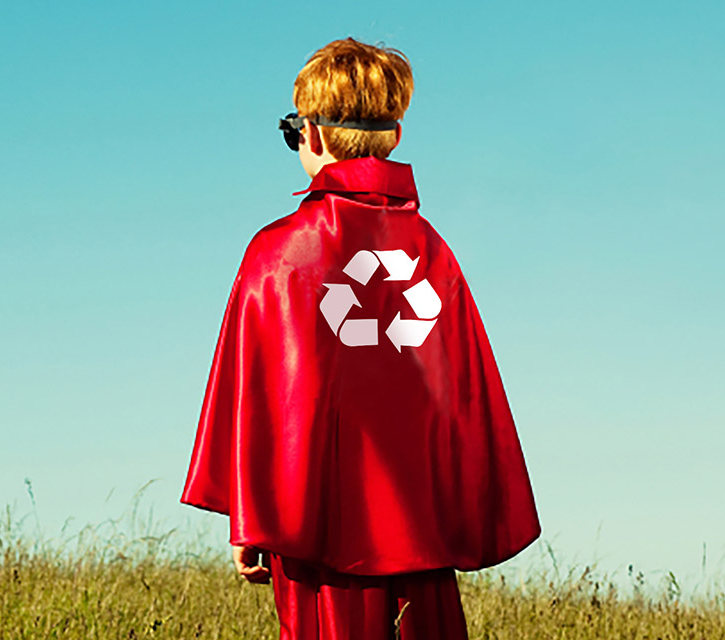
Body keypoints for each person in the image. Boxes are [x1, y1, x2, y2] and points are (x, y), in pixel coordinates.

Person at [180, 38, 541, 640]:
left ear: (312, 136)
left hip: (317, 546)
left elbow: (258, 399)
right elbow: (465, 400)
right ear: (396, 135)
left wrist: (251, 520)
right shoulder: (435, 255)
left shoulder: (279, 255)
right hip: (422, 538)